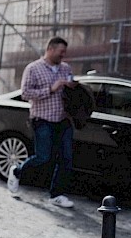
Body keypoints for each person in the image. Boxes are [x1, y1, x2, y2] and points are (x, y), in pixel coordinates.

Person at [7, 36, 79, 208]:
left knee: (66, 158)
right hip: (42, 119)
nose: (63, 55)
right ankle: (17, 171)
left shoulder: (66, 68)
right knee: (43, 157)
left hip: (63, 119)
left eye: (64, 53)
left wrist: (73, 87)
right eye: (61, 52)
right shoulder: (33, 68)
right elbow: (25, 93)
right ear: (51, 49)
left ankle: (56, 194)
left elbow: (71, 89)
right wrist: (51, 89)